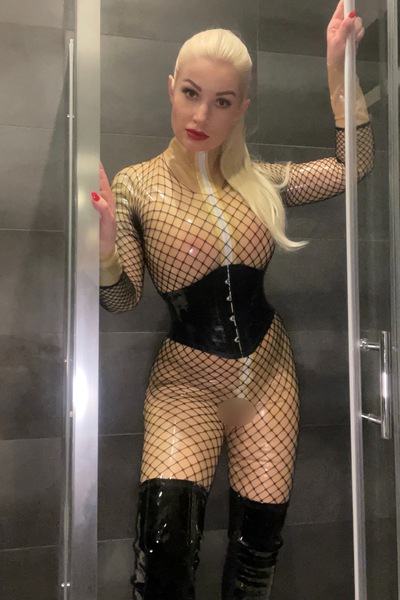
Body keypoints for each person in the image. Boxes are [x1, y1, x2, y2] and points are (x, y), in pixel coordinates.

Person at [91, 1, 374, 598]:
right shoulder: (135, 186)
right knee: (163, 557)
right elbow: (122, 300)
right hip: (186, 388)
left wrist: (338, 67)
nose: (201, 115)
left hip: (268, 382)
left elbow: (354, 166)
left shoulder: (261, 181)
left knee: (255, 560)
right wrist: (105, 253)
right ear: (171, 87)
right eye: (191, 93)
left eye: (222, 102)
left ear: (241, 108)